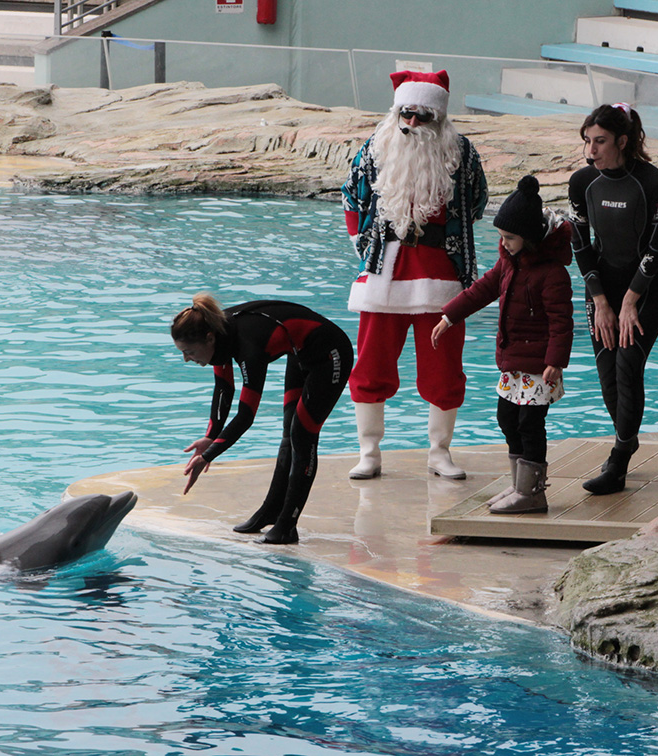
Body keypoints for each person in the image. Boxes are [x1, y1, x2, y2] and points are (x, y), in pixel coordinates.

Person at [341, 69, 488, 481]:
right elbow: (352, 196)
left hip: (442, 277)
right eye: (406, 115)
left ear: (438, 118)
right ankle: (368, 452)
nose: (411, 125)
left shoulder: (463, 154)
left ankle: (439, 452)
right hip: (383, 274)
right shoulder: (375, 148)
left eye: (422, 117)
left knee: (443, 370)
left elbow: (477, 200)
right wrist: (362, 243)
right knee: (370, 366)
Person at [432, 176, 573, 514]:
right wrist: (449, 317)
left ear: (529, 237)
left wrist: (556, 359)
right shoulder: (508, 263)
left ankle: (532, 493)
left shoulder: (552, 274)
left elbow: (561, 320)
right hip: (513, 365)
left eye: (510, 238)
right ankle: (518, 485)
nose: (504, 243)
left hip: (540, 367)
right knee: (507, 418)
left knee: (530, 424)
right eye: (501, 237)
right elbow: (482, 290)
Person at [171, 294, 353, 544]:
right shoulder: (217, 335)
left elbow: (246, 416)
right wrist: (209, 437)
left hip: (330, 354)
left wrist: (208, 456)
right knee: (289, 433)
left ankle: (288, 525)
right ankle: (270, 511)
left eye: (189, 352)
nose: (186, 359)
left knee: (302, 434)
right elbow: (224, 391)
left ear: (208, 339)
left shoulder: (248, 344)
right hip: (300, 352)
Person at [568, 102, 658, 495]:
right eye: (587, 141)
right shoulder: (583, 183)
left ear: (623, 141)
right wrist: (601, 301)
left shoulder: (653, 182)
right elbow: (580, 244)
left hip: (647, 286)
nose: (590, 151)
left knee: (628, 365)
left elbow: (657, 247)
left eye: (599, 142)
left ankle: (618, 460)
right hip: (603, 289)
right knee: (607, 374)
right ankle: (627, 440)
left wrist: (630, 300)